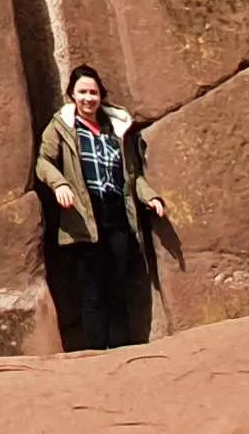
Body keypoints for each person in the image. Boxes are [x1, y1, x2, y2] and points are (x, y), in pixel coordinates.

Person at [32, 65, 170, 350]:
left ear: (101, 96)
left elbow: (132, 176)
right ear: (71, 95)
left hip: (116, 214)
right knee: (92, 290)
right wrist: (59, 184)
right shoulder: (62, 127)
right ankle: (96, 357)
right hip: (84, 217)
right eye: (82, 92)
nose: (88, 98)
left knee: (118, 286)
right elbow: (43, 162)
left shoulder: (115, 129)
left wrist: (151, 197)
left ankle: (120, 353)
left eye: (93, 92)